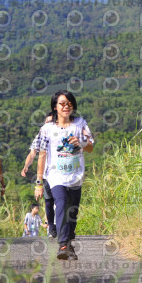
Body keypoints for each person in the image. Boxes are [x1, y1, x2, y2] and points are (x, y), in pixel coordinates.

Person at [35, 90, 94, 260]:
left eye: (69, 103)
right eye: (62, 103)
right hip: (56, 176)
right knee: (61, 204)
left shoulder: (80, 124)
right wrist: (39, 182)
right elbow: (42, 155)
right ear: (55, 107)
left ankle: (68, 244)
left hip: (75, 176)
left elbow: (90, 147)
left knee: (72, 212)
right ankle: (62, 244)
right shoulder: (47, 129)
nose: (66, 106)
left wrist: (81, 142)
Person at [22, 114, 57, 238]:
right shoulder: (41, 135)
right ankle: (52, 226)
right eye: (47, 121)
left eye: (52, 121)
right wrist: (26, 166)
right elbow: (33, 153)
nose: (49, 124)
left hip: (60, 174)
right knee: (49, 201)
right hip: (46, 175)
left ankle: (63, 226)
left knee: (61, 200)